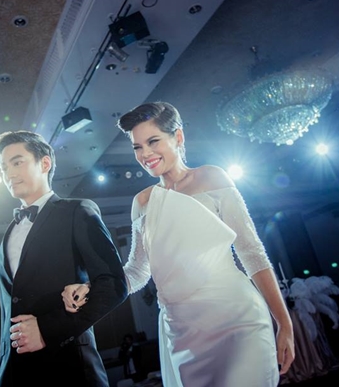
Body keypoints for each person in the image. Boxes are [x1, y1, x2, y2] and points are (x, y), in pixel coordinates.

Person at [62, 102, 295, 386]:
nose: (145, 154)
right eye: (137, 147)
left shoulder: (212, 178)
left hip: (237, 318)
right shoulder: (142, 202)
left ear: (178, 137)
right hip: (182, 333)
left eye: (153, 141)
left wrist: (284, 323)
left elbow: (252, 252)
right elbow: (137, 271)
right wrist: (93, 287)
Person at [0, 130, 128, 387]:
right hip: (14, 373)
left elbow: (114, 285)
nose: (8, 173)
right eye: (4, 167)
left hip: (69, 366)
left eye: (17, 162)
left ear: (45, 163)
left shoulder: (77, 211)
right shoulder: (9, 231)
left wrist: (46, 329)